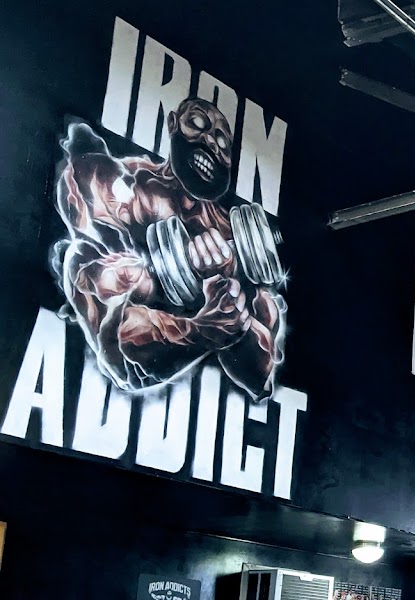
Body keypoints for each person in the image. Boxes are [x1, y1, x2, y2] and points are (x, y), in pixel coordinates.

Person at [52, 97, 284, 400]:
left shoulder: (229, 234)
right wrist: (199, 330)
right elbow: (120, 355)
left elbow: (259, 379)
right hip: (128, 322)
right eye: (197, 124)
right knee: (93, 264)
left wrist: (225, 289)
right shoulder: (123, 190)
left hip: (181, 318)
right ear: (173, 124)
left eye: (221, 142)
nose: (210, 143)